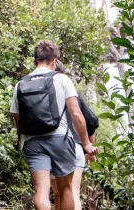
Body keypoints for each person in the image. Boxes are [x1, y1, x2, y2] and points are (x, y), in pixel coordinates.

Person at [11, 41, 98, 210]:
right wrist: (86, 143)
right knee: (65, 187)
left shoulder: (20, 84)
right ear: (54, 60)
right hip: (60, 139)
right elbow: (76, 114)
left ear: (34, 61)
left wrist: (24, 141)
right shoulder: (61, 79)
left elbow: (17, 119)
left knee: (41, 191)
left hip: (32, 141)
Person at [51, 60, 99, 210]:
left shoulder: (43, 93)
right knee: (72, 191)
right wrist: (89, 149)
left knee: (58, 193)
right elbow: (91, 121)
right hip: (75, 147)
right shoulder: (71, 93)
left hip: (51, 146)